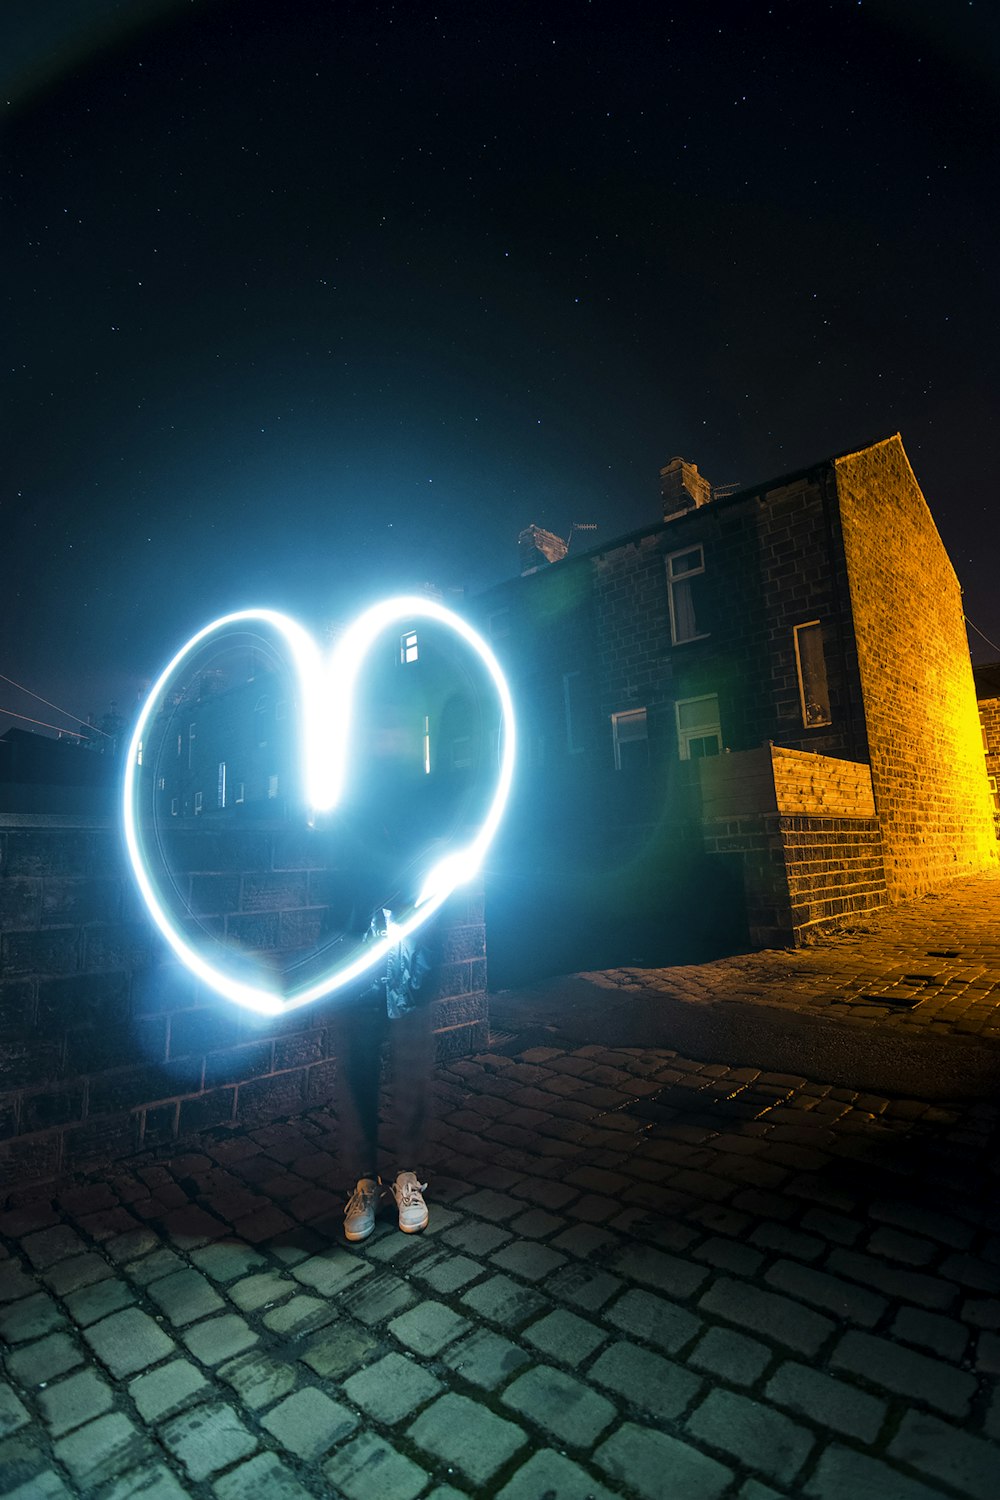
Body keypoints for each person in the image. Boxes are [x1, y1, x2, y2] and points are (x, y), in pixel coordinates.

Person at [334, 905, 438, 1242]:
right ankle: (365, 1183)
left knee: (411, 1065)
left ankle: (408, 1177)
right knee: (357, 1066)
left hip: (410, 950)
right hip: (358, 955)